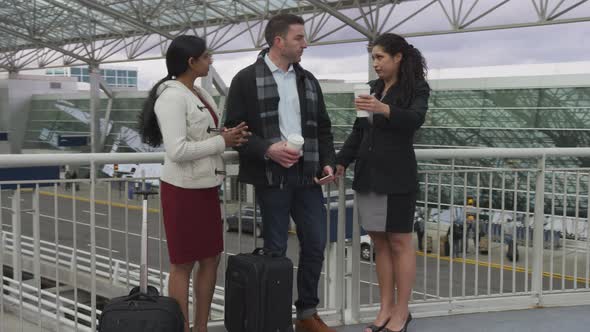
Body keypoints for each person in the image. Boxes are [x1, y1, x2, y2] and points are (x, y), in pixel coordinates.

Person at [224, 13, 336, 332]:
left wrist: (327, 161)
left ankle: (306, 314)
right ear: (278, 41)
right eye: (299, 38)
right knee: (275, 250)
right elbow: (234, 129)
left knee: (315, 242)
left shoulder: (308, 80)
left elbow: (323, 128)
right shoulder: (246, 79)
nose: (305, 43)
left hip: (307, 175)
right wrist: (268, 149)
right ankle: (273, 318)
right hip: (271, 177)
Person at [138, 35, 249, 332]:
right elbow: (177, 151)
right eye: (206, 56)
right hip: (182, 190)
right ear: (191, 61)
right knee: (183, 263)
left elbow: (206, 137)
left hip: (206, 187)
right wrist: (219, 141)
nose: (211, 60)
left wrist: (227, 136)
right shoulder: (171, 96)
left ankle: (201, 327)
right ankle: (182, 327)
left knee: (211, 258)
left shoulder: (200, 94)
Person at [335, 33, 430, 332]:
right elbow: (359, 132)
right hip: (368, 175)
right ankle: (385, 308)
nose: (375, 63)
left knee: (400, 242)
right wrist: (340, 162)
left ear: (397, 56)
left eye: (380, 57)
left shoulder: (416, 87)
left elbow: (415, 119)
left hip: (397, 177)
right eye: (373, 58)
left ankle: (402, 311)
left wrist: (384, 109)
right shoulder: (374, 88)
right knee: (379, 243)